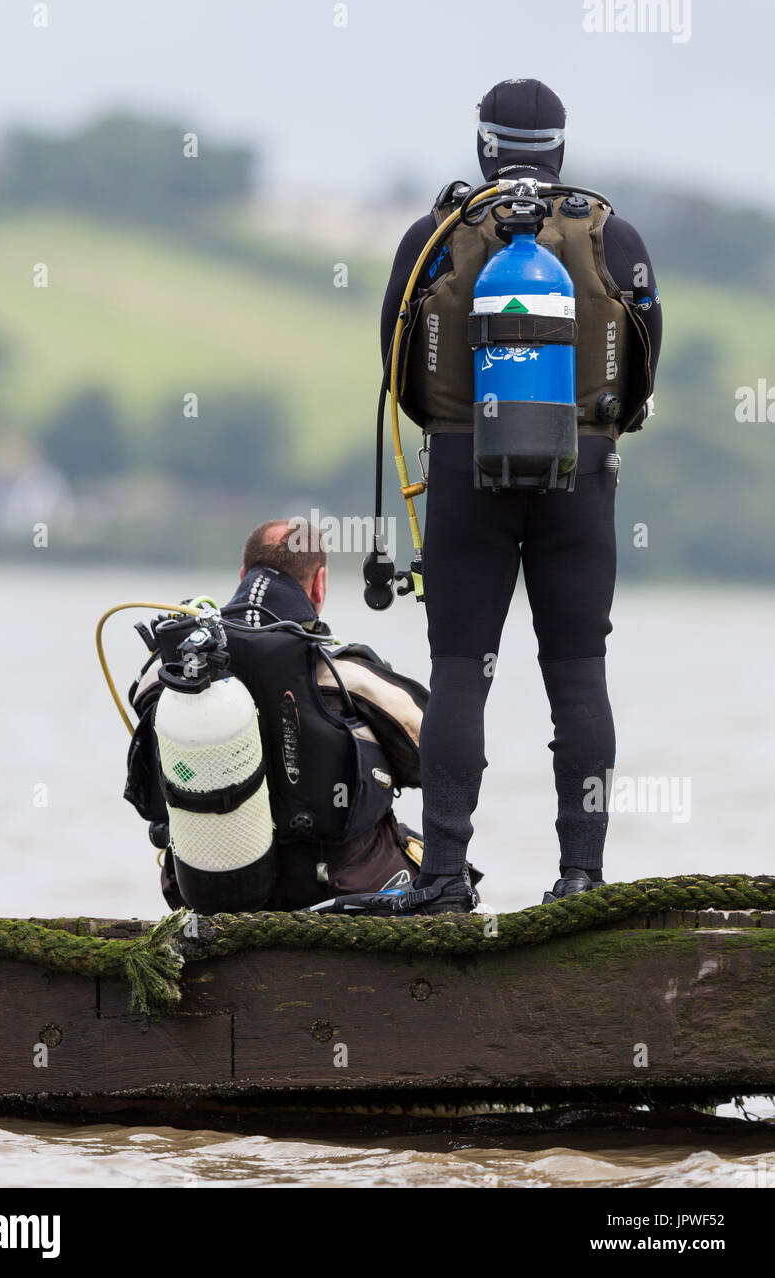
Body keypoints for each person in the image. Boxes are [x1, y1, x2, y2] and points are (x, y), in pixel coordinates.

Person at [368, 77, 662, 914]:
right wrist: (608, 426)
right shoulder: (616, 233)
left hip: (466, 470)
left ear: (483, 144)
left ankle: (444, 876)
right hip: (583, 474)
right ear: (561, 146)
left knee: (461, 671)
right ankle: (581, 878)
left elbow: (393, 360)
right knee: (580, 675)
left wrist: (452, 429)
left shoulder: (437, 234)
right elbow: (647, 347)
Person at [124, 518, 440, 912]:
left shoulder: (169, 673)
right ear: (320, 583)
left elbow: (140, 715)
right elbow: (436, 753)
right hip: (334, 894)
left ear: (242, 575)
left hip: (206, 895)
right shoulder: (346, 676)